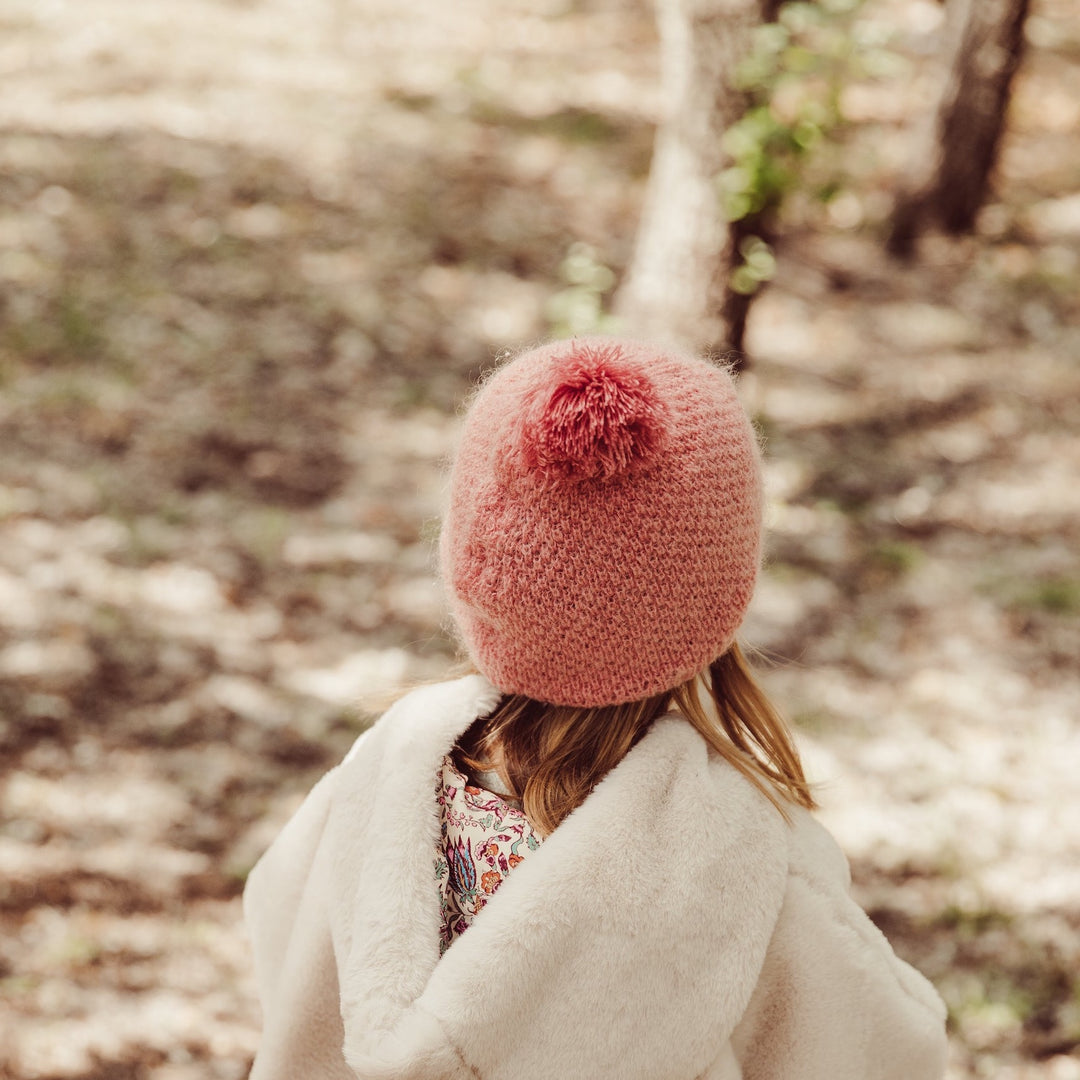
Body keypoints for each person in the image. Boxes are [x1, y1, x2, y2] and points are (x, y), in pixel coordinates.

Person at [243, 337, 948, 1080]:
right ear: (712, 597)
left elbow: (279, 926)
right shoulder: (740, 865)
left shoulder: (384, 773)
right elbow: (887, 1049)